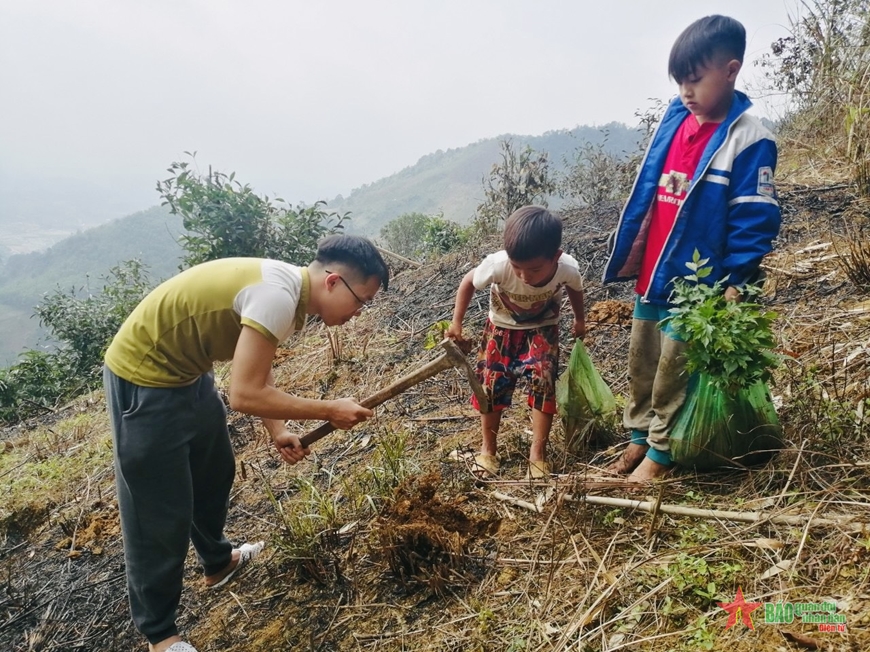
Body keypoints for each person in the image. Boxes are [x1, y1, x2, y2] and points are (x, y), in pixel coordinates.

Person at [102, 235, 389, 652]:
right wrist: (329, 409)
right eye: (360, 300)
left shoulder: (291, 298)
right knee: (158, 512)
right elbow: (243, 395)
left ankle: (218, 563)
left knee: (214, 472)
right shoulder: (276, 296)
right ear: (332, 282)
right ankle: (160, 634)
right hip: (144, 379)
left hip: (190, 374)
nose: (359, 312)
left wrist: (278, 430)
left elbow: (256, 372)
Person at [602, 15, 781, 483]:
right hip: (655, 272)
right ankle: (639, 439)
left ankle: (660, 458)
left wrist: (737, 281)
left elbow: (752, 218)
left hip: (698, 285)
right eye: (680, 80)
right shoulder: (674, 119)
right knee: (643, 364)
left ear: (731, 69)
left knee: (675, 371)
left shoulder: (750, 138)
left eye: (695, 79)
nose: (686, 90)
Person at [447, 205, 586, 479]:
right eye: (517, 267)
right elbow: (468, 283)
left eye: (533, 269)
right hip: (500, 331)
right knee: (491, 386)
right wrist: (456, 322)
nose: (524, 276)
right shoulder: (497, 265)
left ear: (555, 256)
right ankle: (488, 451)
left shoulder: (567, 268)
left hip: (543, 330)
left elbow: (576, 289)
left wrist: (580, 320)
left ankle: (538, 455)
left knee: (543, 382)